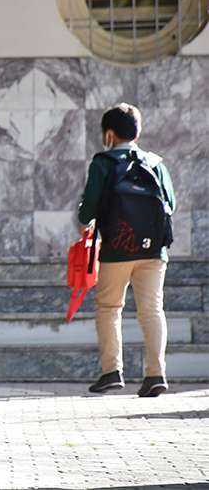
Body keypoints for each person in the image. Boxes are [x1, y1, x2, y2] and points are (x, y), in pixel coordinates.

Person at [78, 103, 176, 398]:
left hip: (116, 250)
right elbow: (171, 204)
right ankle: (156, 374)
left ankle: (112, 371)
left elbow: (88, 209)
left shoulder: (103, 163)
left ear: (108, 134)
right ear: (138, 132)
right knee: (152, 310)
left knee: (109, 308)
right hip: (154, 251)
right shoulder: (155, 163)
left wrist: (86, 220)